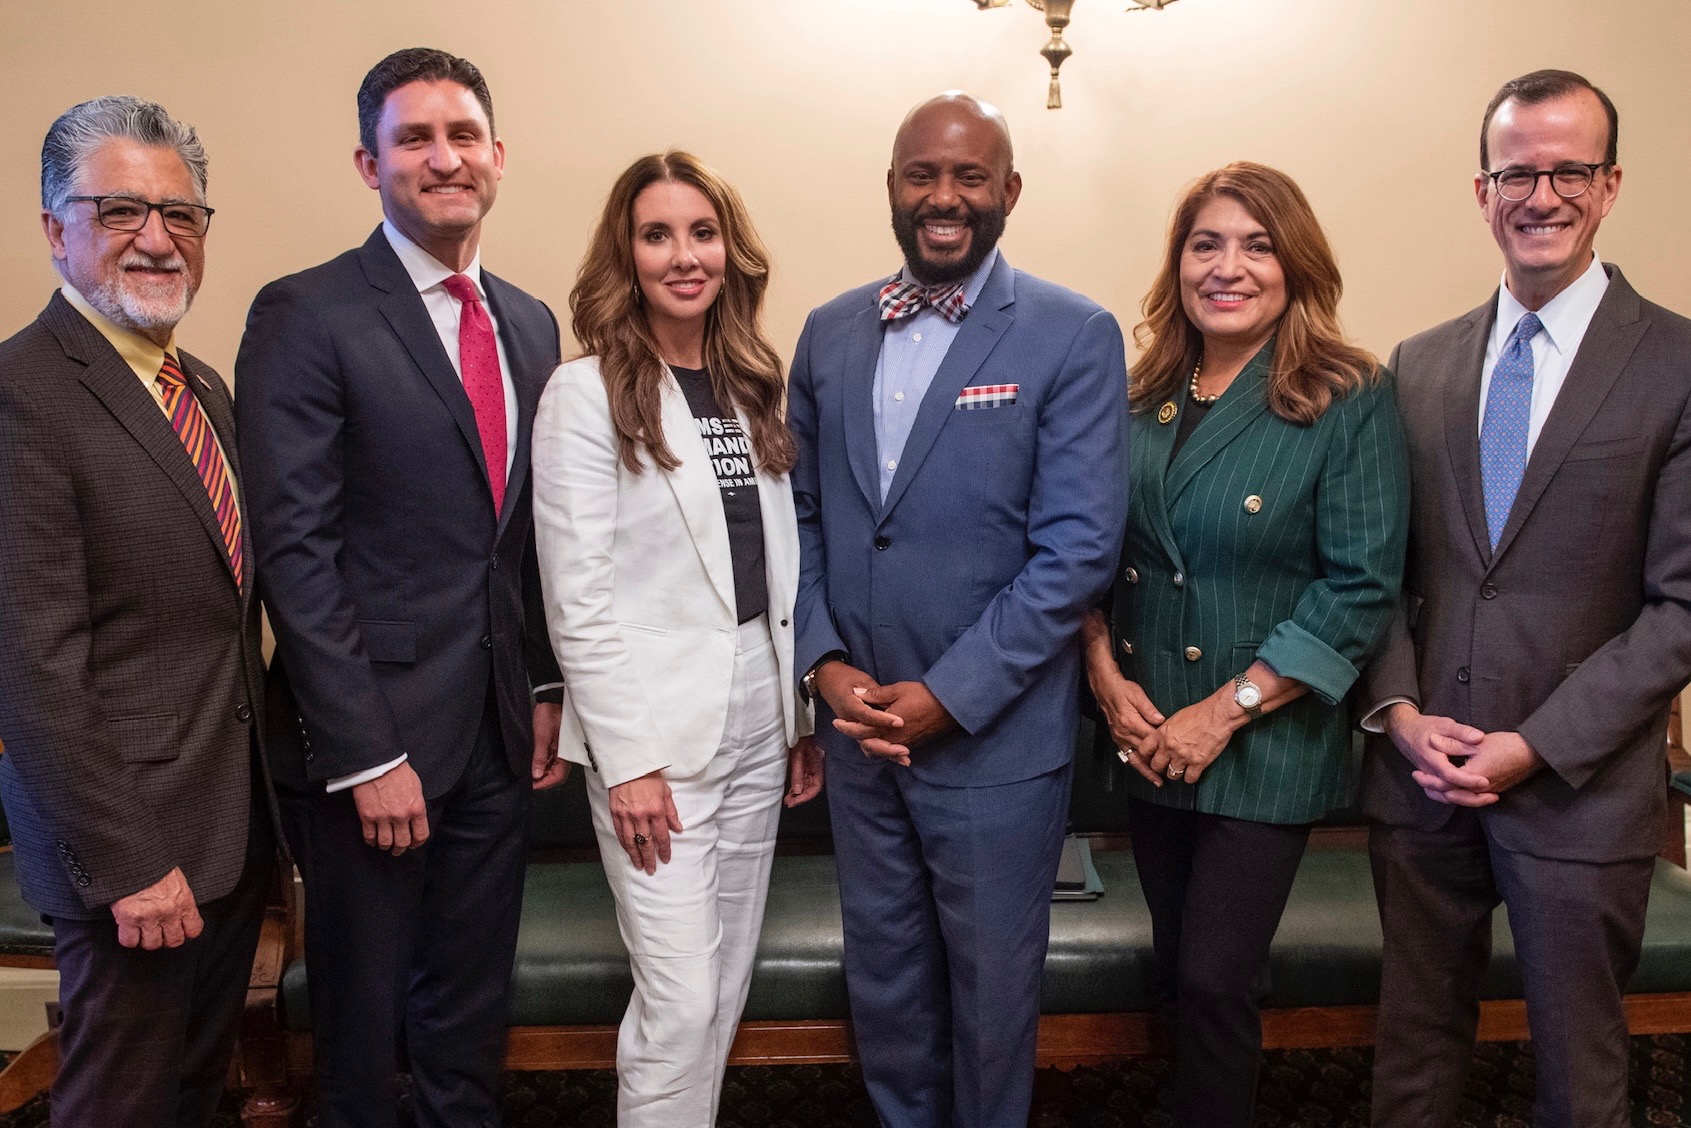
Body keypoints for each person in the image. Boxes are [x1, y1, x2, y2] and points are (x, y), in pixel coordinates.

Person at [234, 48, 566, 1128]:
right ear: (368, 163)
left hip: (493, 735)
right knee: (364, 1045)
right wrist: (366, 753)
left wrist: (543, 689)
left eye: (462, 135)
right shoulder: (306, 313)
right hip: (367, 751)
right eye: (414, 138)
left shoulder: (526, 322)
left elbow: (515, 545)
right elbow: (297, 551)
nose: (443, 158)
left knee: (468, 1021)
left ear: (498, 157)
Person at [789, 92, 1128, 1127]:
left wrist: (948, 693)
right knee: (884, 987)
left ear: (1007, 191)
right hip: (861, 739)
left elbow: (1075, 553)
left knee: (989, 1002)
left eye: (967, 177)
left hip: (993, 742)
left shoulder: (1072, 334)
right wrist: (822, 665)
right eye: (920, 175)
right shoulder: (828, 331)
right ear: (891, 187)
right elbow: (800, 520)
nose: (943, 198)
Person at [1360, 69, 1691, 1128]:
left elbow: (1679, 608)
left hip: (1578, 789)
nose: (1538, 195)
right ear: (1480, 189)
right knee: (1410, 1059)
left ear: (1607, 185)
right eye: (1515, 172)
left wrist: (1533, 745)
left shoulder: (1677, 364)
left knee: (1578, 1079)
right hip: (1420, 784)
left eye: (1566, 171)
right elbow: (1383, 576)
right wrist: (1399, 715)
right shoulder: (1416, 367)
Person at [1080, 161, 1409, 1126]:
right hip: (1147, 737)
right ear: (1176, 262)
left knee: (1221, 978)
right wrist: (1102, 680)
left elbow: (1359, 586)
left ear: (1293, 263)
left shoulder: (1346, 394)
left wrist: (1226, 712)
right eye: (1205, 243)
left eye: (1256, 245)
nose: (1228, 267)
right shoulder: (1142, 393)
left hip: (1262, 740)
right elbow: (1091, 560)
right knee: (1180, 968)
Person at [0, 96, 278, 1127]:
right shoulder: (21, 393)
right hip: (129, 855)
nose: (158, 239)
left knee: (192, 1098)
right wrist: (128, 864)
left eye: (182, 214)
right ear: (52, 227)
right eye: (119, 211)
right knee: (119, 1106)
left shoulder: (198, 385)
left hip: (226, 828)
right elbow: (32, 671)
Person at [531, 150, 822, 1126]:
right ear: (627, 253)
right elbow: (576, 599)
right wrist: (628, 763)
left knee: (723, 987)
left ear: (729, 250)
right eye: (657, 234)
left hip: (755, 712)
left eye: (701, 232)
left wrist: (796, 716)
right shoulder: (582, 395)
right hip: (654, 734)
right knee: (678, 998)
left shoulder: (749, 382)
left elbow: (777, 573)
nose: (683, 255)